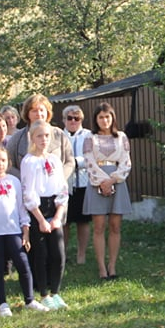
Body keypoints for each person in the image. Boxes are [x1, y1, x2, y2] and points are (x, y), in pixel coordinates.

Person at [0, 145, 49, 316]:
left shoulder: (14, 182)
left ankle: (29, 299)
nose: (0, 164)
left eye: (3, 160)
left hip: (13, 231)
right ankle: (2, 304)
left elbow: (21, 208)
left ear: (9, 163)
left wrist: (25, 232)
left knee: (23, 263)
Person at [21, 120, 70, 310]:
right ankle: (43, 293)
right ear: (32, 138)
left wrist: (58, 216)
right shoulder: (29, 161)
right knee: (41, 254)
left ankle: (56, 291)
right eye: (39, 136)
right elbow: (29, 192)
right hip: (37, 210)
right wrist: (41, 219)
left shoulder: (54, 160)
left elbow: (62, 189)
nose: (44, 139)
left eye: (47, 135)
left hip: (54, 207)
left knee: (58, 253)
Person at [83, 103, 133, 280]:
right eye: (101, 117)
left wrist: (113, 180)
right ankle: (101, 268)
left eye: (107, 117)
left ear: (112, 118)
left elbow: (126, 162)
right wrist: (103, 182)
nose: (104, 120)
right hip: (97, 182)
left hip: (117, 182)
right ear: (96, 119)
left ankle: (112, 265)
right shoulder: (90, 138)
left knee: (115, 226)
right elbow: (89, 161)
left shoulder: (122, 137)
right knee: (98, 227)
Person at [5, 94, 74, 181]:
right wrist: (25, 179)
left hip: (56, 186)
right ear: (27, 113)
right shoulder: (17, 138)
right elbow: (8, 164)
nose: (39, 114)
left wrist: (58, 179)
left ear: (47, 112)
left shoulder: (59, 135)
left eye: (41, 110)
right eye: (34, 111)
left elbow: (70, 162)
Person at [62, 105, 92, 264]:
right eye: (70, 118)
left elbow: (92, 157)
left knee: (83, 221)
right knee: (64, 222)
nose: (73, 121)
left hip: (84, 184)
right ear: (64, 120)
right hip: (64, 185)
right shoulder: (58, 136)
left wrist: (74, 162)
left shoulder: (88, 135)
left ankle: (81, 254)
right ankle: (62, 253)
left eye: (77, 118)